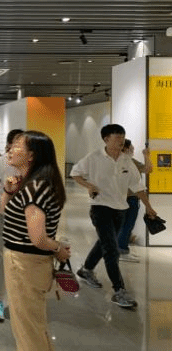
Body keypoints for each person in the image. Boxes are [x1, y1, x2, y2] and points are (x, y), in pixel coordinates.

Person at [71, 124, 159, 308]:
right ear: (106, 139)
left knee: (104, 242)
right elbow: (75, 173)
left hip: (120, 209)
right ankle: (119, 290)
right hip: (100, 207)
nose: (121, 141)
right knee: (112, 249)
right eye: (117, 138)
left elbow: (137, 186)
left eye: (122, 137)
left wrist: (149, 207)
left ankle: (86, 269)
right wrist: (89, 186)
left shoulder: (127, 161)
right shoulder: (94, 157)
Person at [1, 131, 69, 351]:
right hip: (25, 261)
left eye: (17, 146)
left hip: (25, 263)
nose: (10, 149)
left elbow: (38, 238)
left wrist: (57, 247)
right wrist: (9, 190)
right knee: (32, 326)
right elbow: (5, 210)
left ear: (31, 155)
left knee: (28, 329)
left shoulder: (36, 187)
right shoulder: (31, 184)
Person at [0, 128, 23, 322]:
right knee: (1, 259)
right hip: (2, 217)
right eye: (17, 143)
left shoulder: (29, 164)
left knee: (22, 261)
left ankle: (19, 302)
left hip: (25, 220)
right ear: (9, 144)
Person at [118, 140, 153, 262]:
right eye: (131, 149)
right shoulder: (129, 163)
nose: (133, 151)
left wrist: (146, 156)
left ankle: (122, 249)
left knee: (125, 225)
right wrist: (146, 155)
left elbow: (147, 169)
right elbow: (147, 170)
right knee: (127, 225)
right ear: (125, 149)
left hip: (122, 199)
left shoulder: (124, 161)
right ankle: (121, 250)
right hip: (130, 198)